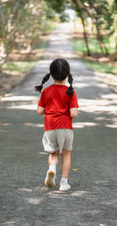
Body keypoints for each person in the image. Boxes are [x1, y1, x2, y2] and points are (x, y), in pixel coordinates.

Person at [35, 58, 79, 191]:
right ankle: (64, 183)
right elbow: (74, 114)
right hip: (65, 127)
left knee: (53, 154)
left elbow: (39, 111)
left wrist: (48, 110)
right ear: (67, 74)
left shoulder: (46, 91)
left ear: (51, 75)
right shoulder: (70, 92)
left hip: (50, 127)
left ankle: (52, 169)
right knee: (66, 154)